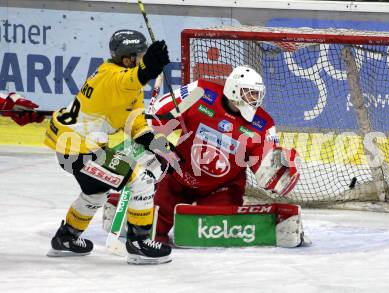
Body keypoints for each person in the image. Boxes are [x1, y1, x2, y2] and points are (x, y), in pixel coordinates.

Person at [44, 29, 177, 265]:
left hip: (77, 147)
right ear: (127, 59)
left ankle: (66, 238)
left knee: (96, 192)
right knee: (142, 180)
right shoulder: (113, 77)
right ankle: (139, 244)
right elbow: (132, 78)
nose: (144, 57)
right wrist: (149, 68)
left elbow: (136, 125)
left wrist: (161, 146)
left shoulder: (129, 85)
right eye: (141, 54)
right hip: (80, 151)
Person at [148, 65, 301, 243]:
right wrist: (157, 130)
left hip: (222, 188)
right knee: (151, 230)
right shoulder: (200, 91)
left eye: (257, 94)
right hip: (179, 175)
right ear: (234, 89)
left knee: (216, 235)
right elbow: (161, 114)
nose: (255, 99)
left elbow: (265, 166)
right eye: (250, 93)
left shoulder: (263, 124)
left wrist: (279, 172)